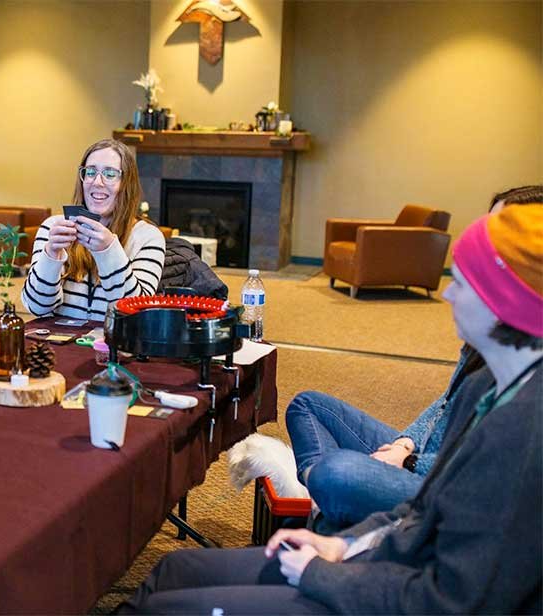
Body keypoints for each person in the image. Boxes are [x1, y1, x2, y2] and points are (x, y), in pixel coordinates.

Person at [119, 205, 542, 614]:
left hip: (389, 594)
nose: (447, 292)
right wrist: (344, 544)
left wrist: (320, 574)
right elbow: (422, 509)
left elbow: (449, 601)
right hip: (382, 563)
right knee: (175, 567)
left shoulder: (522, 436)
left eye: (464, 284)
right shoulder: (483, 384)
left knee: (166, 607)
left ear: (502, 300)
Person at [285, 184, 542, 530]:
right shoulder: (487, 331)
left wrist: (408, 462)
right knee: (307, 405)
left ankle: (332, 513)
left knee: (337, 473)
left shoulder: (523, 359)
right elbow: (444, 405)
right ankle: (337, 511)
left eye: (501, 230)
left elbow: (481, 466)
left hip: (438, 482)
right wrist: (403, 443)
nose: (487, 238)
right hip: (416, 454)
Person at [21, 139, 165, 321]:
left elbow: (136, 312)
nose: (97, 182)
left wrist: (108, 250)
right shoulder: (54, 227)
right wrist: (51, 254)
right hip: (59, 346)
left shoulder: (148, 237)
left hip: (115, 346)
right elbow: (37, 307)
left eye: (110, 174)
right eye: (90, 172)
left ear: (127, 183)